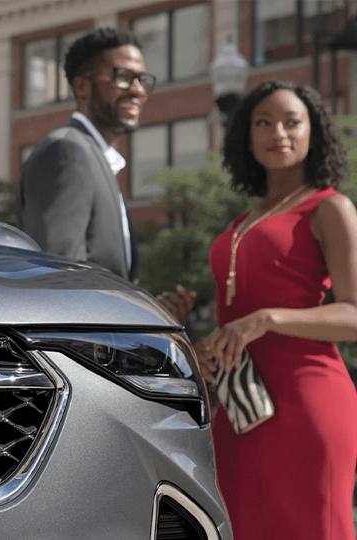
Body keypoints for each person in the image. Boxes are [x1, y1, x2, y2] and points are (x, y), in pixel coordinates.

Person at [193, 80, 357, 539]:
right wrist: (211, 347)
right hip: (242, 402)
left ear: (313, 133)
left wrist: (268, 319)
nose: (277, 132)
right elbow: (234, 314)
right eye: (263, 122)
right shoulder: (240, 223)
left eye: (292, 122)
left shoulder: (331, 209)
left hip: (309, 398)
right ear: (246, 137)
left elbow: (354, 313)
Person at [15, 27, 153, 284]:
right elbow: (57, 273)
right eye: (123, 76)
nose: (138, 91)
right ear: (82, 86)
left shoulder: (96, 158)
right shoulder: (67, 151)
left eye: (142, 79)